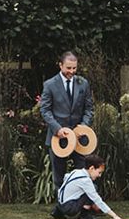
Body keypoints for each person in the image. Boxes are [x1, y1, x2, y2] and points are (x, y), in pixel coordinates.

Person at [39, 51, 94, 190]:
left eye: (74, 68)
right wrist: (57, 129)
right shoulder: (50, 85)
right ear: (60, 65)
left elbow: (89, 109)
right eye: (68, 68)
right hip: (58, 137)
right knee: (59, 175)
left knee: (84, 174)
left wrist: (83, 127)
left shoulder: (83, 83)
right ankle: (62, 207)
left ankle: (84, 208)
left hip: (79, 137)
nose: (72, 71)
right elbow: (45, 110)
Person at [50, 154, 124, 219]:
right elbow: (97, 199)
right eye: (99, 172)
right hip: (70, 208)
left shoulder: (76, 172)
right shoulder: (85, 180)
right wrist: (115, 216)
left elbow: (66, 177)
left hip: (61, 203)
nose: (99, 175)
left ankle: (58, 211)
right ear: (92, 168)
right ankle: (84, 215)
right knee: (93, 188)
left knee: (81, 189)